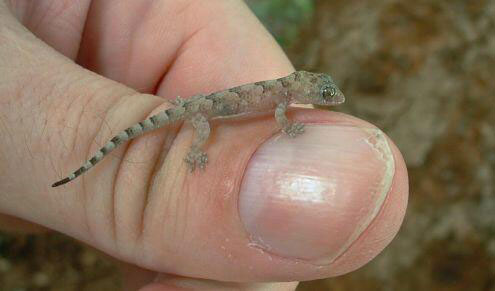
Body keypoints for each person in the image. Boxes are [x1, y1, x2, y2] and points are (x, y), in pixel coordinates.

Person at [0, 1, 409, 290]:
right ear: (306, 86)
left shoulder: (285, 92)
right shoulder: (283, 100)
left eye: (325, 93)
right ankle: (90, 163)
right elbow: (282, 122)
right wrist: (195, 151)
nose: (328, 100)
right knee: (182, 137)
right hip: (197, 113)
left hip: (194, 105)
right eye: (323, 94)